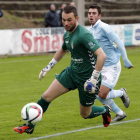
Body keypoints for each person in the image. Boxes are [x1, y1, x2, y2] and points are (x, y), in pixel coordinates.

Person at [14, 5, 111, 134]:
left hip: (88, 79)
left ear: (76, 18)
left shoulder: (84, 35)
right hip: (72, 72)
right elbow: (63, 49)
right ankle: (30, 126)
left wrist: (93, 78)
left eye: (69, 20)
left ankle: (105, 110)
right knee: (46, 96)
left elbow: (102, 55)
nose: (66, 23)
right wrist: (49, 66)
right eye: (63, 20)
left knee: (85, 114)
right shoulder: (67, 33)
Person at [87, 5, 134, 122]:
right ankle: (120, 113)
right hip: (100, 67)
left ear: (99, 15)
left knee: (102, 94)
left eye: (94, 13)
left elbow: (118, 42)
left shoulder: (104, 27)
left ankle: (121, 92)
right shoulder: (89, 31)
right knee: (95, 93)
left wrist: (126, 59)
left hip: (112, 66)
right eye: (89, 13)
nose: (91, 15)